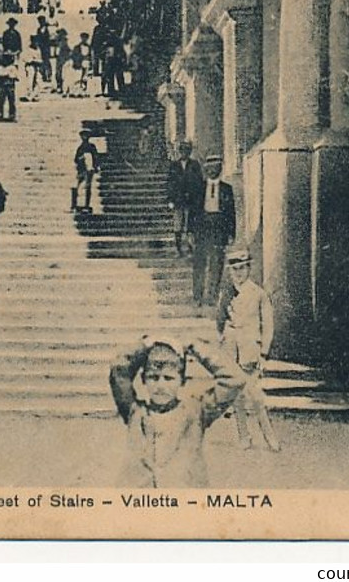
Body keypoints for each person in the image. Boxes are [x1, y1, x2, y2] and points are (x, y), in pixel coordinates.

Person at [109, 335, 243, 487]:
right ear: (143, 380)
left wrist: (193, 346)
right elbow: (119, 370)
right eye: (153, 377)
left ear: (182, 381)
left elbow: (234, 379)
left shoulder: (196, 411)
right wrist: (144, 346)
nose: (160, 386)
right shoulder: (135, 412)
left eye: (168, 378)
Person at [217, 247, 281, 452]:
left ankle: (269, 436)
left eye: (242, 268)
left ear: (249, 269)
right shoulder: (226, 293)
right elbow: (219, 319)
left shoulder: (258, 294)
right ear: (230, 271)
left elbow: (268, 325)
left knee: (254, 396)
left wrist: (264, 352)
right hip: (230, 350)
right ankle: (244, 435)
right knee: (237, 397)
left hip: (249, 351)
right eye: (235, 269)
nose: (238, 273)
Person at [190, 154, 236, 308]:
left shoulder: (226, 189)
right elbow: (193, 211)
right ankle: (197, 296)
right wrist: (190, 231)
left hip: (219, 229)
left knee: (217, 263)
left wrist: (231, 233)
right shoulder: (198, 188)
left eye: (215, 167)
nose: (212, 170)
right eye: (209, 168)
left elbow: (231, 213)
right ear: (205, 170)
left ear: (220, 169)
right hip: (202, 228)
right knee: (199, 263)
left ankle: (212, 297)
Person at [167, 141, 205, 256]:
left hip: (191, 200)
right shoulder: (174, 165)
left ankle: (190, 248)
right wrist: (170, 200)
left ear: (189, 152)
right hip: (178, 200)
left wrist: (198, 199)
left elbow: (199, 182)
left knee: (190, 224)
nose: (184, 153)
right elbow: (170, 184)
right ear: (179, 152)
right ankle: (178, 249)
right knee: (178, 224)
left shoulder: (195, 165)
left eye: (187, 151)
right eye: (182, 151)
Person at [72, 129, 100, 212]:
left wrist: (95, 167)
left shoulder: (92, 147)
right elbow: (76, 159)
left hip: (89, 169)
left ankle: (86, 204)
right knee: (78, 186)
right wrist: (81, 159)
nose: (85, 138)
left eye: (86, 136)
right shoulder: (80, 148)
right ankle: (76, 204)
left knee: (88, 187)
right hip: (82, 169)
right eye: (83, 136)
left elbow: (96, 157)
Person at [0, 52, 19, 122]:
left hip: (9, 86)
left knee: (11, 100)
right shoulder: (1, 67)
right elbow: (1, 73)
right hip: (3, 86)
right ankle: (0, 113)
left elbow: (14, 75)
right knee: (1, 100)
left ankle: (12, 114)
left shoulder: (12, 67)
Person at [34, 14, 52, 83]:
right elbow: (38, 38)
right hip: (41, 48)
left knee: (47, 62)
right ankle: (44, 75)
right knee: (42, 62)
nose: (41, 23)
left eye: (42, 21)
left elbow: (48, 39)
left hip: (46, 48)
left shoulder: (47, 29)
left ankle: (49, 75)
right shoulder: (38, 29)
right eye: (40, 21)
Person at [54, 28, 71, 94]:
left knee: (62, 74)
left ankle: (63, 88)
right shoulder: (57, 41)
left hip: (63, 59)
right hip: (58, 59)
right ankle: (59, 87)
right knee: (58, 74)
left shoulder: (64, 41)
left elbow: (68, 50)